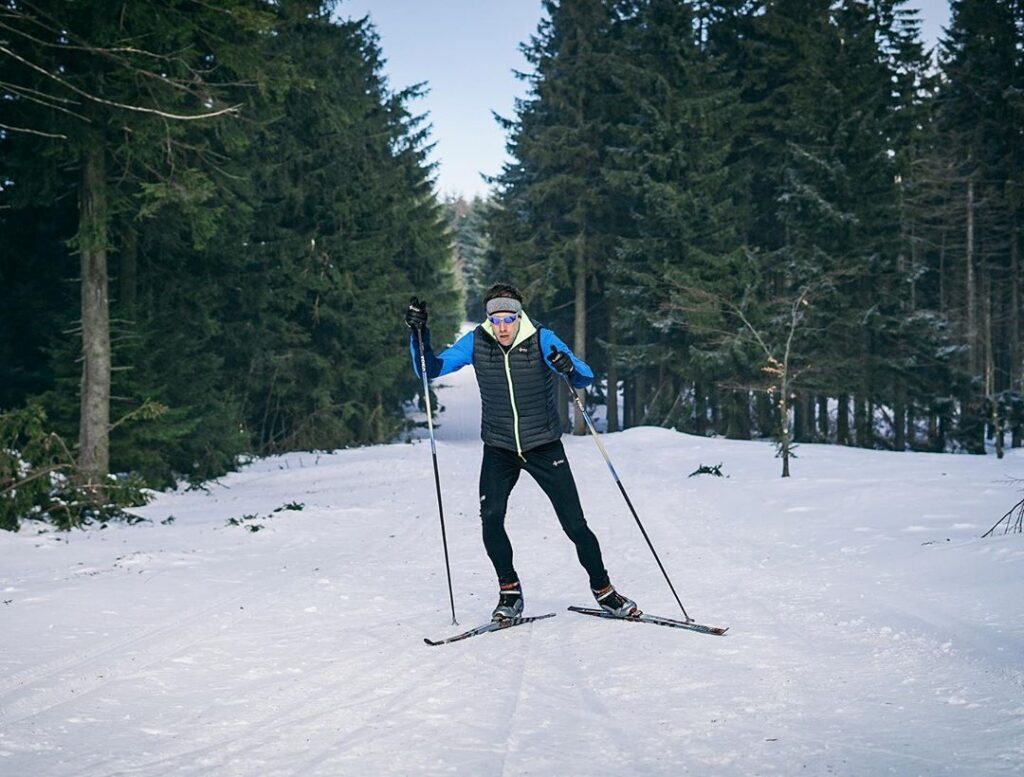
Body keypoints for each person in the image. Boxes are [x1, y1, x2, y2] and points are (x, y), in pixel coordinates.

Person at [406, 283, 640, 621]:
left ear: (519, 316)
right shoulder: (476, 341)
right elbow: (430, 368)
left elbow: (584, 376)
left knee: (575, 524)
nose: (502, 327)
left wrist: (567, 366)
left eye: (509, 319)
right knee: (491, 519)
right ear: (488, 319)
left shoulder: (542, 339)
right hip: (499, 448)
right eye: (496, 319)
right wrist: (418, 333)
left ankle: (605, 591)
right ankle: (510, 593)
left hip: (544, 445)